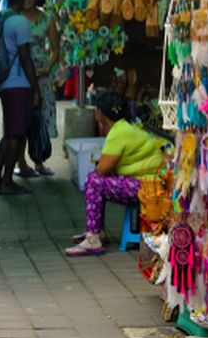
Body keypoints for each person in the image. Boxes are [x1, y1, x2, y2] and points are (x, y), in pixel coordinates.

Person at [65, 90, 165, 256]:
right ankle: (96, 231)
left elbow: (102, 169)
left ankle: (93, 237)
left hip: (147, 186)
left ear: (100, 112)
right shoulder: (125, 127)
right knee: (97, 181)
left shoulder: (118, 132)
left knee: (94, 181)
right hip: (150, 182)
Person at [0, 0, 40, 195]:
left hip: (3, 81)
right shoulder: (20, 22)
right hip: (18, 83)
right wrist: (35, 88)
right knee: (16, 135)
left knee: (9, 132)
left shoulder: (0, 16)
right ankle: (7, 180)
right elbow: (26, 58)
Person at [15, 0, 60, 178]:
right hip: (19, 73)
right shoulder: (15, 18)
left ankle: (39, 160)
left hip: (41, 74)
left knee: (40, 116)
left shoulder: (47, 18)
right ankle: (21, 162)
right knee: (21, 117)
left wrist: (48, 68)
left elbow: (56, 48)